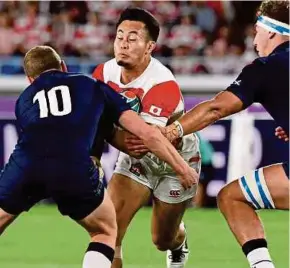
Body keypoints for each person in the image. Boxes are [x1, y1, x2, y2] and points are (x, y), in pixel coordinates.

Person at [0, 45, 198, 268]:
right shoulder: (91, 85)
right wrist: (181, 167)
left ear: (30, 79)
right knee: (104, 231)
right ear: (63, 67)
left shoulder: (24, 99)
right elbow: (146, 132)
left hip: (25, 166)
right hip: (72, 167)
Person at [160, 1, 289, 267]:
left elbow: (216, 108)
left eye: (257, 31)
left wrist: (173, 130)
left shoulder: (265, 67)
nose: (254, 40)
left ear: (272, 32)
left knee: (232, 197)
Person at [92, 7, 201, 268]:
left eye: (132, 38)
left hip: (173, 159)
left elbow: (148, 138)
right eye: (119, 37)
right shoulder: (103, 74)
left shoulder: (162, 82)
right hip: (134, 158)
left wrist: (182, 168)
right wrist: (113, 142)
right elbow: (99, 122)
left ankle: (178, 243)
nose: (123, 44)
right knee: (110, 232)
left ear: (150, 46)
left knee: (162, 239)